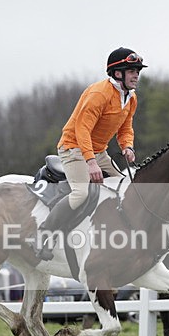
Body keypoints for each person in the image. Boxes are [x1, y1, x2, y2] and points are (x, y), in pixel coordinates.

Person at [33, 47, 144, 260]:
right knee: (81, 193)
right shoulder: (98, 94)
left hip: (98, 151)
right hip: (73, 147)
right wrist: (91, 163)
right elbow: (81, 130)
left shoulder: (131, 98)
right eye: (132, 70)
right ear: (118, 73)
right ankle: (44, 234)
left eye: (138, 71)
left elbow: (126, 128)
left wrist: (127, 146)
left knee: (124, 188)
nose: (136, 75)